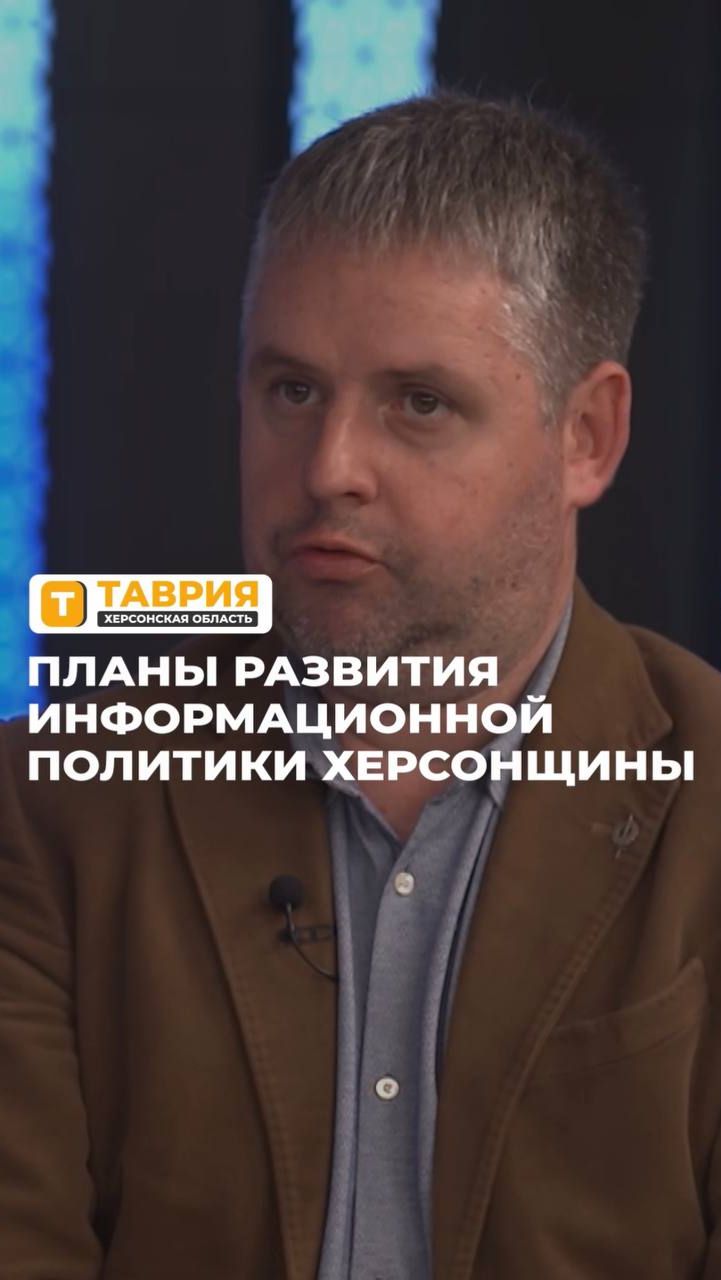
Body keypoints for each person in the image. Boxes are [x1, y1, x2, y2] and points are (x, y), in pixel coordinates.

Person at [1, 92, 720, 1279]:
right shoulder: (49, 806)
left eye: (418, 403)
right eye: (291, 390)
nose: (329, 467)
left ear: (586, 435)